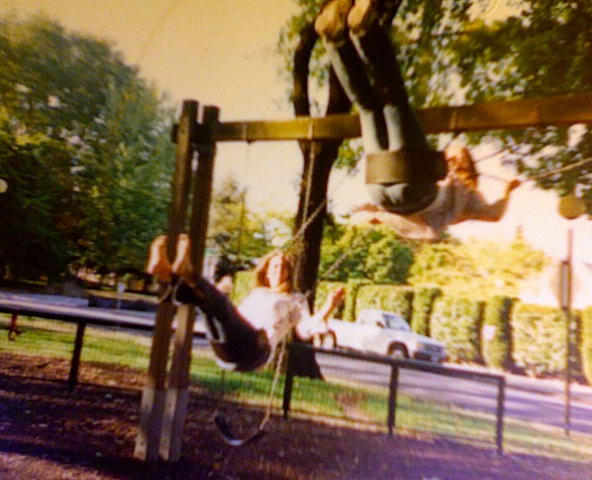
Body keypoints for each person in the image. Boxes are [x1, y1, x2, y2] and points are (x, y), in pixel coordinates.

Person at [315, 0, 447, 215]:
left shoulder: (465, 193)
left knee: (394, 103)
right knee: (367, 109)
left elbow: (493, 210)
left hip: (418, 188)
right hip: (377, 190)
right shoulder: (464, 198)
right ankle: (333, 41)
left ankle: (363, 31)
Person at [146, 234, 345, 372]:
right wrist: (222, 293)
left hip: (256, 351)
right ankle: (169, 275)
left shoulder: (295, 299)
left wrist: (329, 306)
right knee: (207, 305)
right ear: (266, 271)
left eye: (284, 267)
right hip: (226, 353)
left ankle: (184, 273)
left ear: (289, 273)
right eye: (275, 266)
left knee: (217, 305)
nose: (279, 270)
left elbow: (304, 330)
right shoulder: (257, 294)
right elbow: (234, 318)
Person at [350, 144, 521, 240]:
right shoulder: (434, 174)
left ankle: (378, 210)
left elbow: (494, 214)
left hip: (424, 219)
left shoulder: (467, 192)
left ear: (468, 165)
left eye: (458, 158)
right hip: (415, 198)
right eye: (449, 159)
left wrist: (507, 192)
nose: (453, 162)